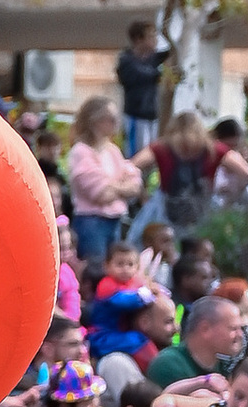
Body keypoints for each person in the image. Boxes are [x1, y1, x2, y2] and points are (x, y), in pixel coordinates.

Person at [65, 97, 142, 273]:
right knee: (96, 271)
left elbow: (135, 183)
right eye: (110, 118)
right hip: (91, 222)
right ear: (95, 120)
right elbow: (101, 194)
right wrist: (122, 187)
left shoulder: (112, 150)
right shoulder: (81, 152)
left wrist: (113, 186)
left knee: (116, 272)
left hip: (115, 220)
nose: (115, 122)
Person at [149, 290, 246, 398]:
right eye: (233, 328)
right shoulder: (168, 364)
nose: (240, 335)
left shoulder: (226, 367)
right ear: (205, 329)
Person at [117, 21, 170, 158]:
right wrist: (158, 73)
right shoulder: (127, 61)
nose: (155, 41)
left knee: (151, 154)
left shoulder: (152, 59)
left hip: (152, 114)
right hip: (136, 115)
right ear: (138, 39)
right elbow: (144, 75)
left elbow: (170, 50)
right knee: (135, 155)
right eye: (150, 37)